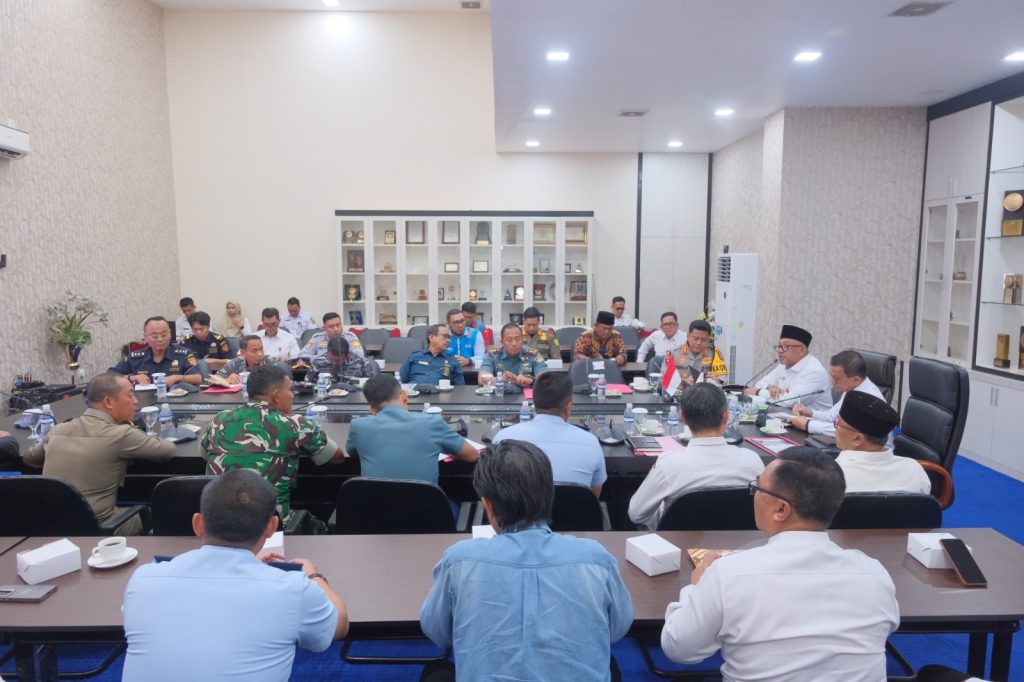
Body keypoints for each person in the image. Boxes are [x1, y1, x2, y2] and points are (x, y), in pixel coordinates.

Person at [661, 447, 899, 681]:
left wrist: (695, 589)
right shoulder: (875, 574)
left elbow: (679, 648)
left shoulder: (728, 574)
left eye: (757, 488)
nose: (753, 495)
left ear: (781, 509)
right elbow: (888, 627)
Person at [420, 439, 633, 680]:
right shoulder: (596, 559)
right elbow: (617, 628)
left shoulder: (458, 560)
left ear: (487, 504)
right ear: (550, 496)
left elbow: (438, 633)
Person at [122, 469, 348, 681]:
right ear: (272, 527)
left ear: (198, 524)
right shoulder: (294, 589)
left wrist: (251, 568)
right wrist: (313, 575)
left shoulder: (143, 579)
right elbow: (339, 625)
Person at [22, 373, 176, 534]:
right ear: (108, 402)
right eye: (130, 395)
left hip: (53, 529)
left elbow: (29, 459)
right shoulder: (121, 434)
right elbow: (167, 450)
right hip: (103, 528)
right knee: (163, 512)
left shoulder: (57, 430)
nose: (135, 401)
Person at [201, 364, 344, 528]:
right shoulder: (295, 424)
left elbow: (205, 455)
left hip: (217, 525)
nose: (292, 396)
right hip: (271, 527)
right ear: (276, 396)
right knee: (322, 527)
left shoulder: (218, 420)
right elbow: (337, 458)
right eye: (289, 390)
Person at [628, 383, 764, 529]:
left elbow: (636, 514)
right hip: (741, 542)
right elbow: (766, 508)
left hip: (678, 543)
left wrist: (664, 515)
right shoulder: (753, 461)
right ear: (726, 416)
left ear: (682, 417)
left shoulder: (667, 465)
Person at [346, 374, 478, 484]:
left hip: (374, 507)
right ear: (404, 395)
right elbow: (472, 455)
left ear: (372, 408)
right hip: (425, 507)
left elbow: (353, 453)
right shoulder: (432, 423)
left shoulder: (358, 426)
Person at [491, 371, 605, 495]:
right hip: (575, 508)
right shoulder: (591, 442)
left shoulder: (502, 439)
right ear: (569, 407)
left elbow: (492, 486)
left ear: (534, 403)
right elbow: (594, 496)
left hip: (518, 508)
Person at [835, 391, 930, 494]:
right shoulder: (915, 470)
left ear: (857, 439)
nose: (835, 429)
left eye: (838, 423)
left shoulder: (832, 476)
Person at [790, 350, 885, 437]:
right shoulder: (852, 388)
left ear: (856, 380)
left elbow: (847, 432)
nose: (832, 382)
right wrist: (810, 413)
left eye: (836, 379)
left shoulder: (869, 399)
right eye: (832, 377)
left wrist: (808, 424)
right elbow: (831, 417)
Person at [745, 324, 831, 412]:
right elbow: (759, 384)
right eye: (779, 346)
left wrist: (758, 392)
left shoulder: (815, 371)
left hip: (811, 420)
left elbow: (787, 402)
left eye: (785, 346)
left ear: (801, 350)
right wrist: (770, 387)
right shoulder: (783, 365)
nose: (780, 351)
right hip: (785, 416)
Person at [110, 316, 203, 386]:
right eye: (155, 336)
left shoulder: (184, 354)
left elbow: (198, 378)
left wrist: (176, 378)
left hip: (174, 401)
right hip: (143, 402)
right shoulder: (135, 357)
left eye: (164, 335)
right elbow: (110, 375)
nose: (160, 339)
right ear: (146, 337)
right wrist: (132, 377)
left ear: (170, 334)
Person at [478, 323, 547, 388]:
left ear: (522, 340)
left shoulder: (533, 354)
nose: (514, 343)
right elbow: (481, 379)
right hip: (500, 394)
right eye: (509, 340)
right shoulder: (492, 355)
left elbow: (545, 378)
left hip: (527, 394)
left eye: (517, 339)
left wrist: (531, 381)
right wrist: (500, 379)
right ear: (502, 342)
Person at [399, 324, 465, 386]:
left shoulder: (452, 360)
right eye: (444, 336)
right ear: (431, 337)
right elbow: (403, 380)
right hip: (416, 392)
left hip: (441, 393)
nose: (448, 340)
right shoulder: (413, 357)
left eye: (449, 337)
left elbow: (460, 387)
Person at [305, 336, 378, 385]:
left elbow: (370, 386)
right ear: (327, 352)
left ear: (348, 354)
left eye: (338, 360)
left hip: (354, 399)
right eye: (331, 359)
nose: (334, 363)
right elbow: (307, 383)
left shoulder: (362, 362)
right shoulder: (317, 362)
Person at [300, 312, 364, 362]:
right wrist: (323, 358)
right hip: (323, 370)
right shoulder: (317, 338)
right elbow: (302, 355)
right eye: (331, 326)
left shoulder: (351, 337)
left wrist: (343, 357)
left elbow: (360, 356)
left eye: (338, 325)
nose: (336, 329)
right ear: (324, 328)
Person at [216, 335, 281, 384]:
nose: (260, 354)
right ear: (243, 353)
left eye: (261, 349)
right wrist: (226, 380)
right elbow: (214, 380)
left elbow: (284, 380)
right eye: (254, 350)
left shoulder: (271, 362)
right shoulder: (234, 364)